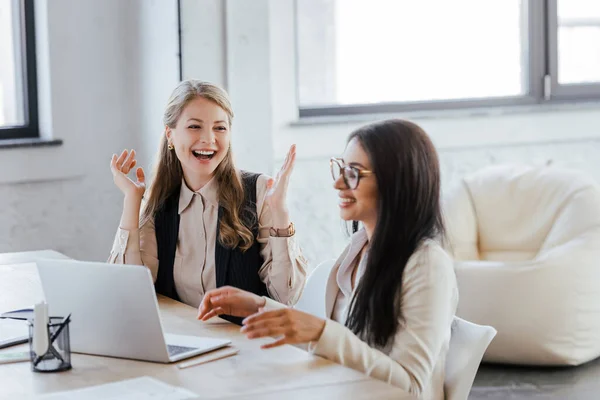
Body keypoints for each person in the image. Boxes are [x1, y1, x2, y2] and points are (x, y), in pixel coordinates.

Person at [197, 119, 459, 399]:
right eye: (341, 169)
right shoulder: (358, 251)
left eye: (354, 173)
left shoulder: (428, 265)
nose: (338, 183)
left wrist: (321, 332)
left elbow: (410, 385)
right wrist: (258, 306)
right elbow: (341, 346)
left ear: (397, 181)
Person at [107, 80, 307, 323]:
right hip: (184, 345)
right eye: (194, 127)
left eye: (220, 128)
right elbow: (129, 293)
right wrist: (132, 200)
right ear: (170, 134)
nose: (209, 139)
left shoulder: (259, 191)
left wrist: (281, 213)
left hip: (248, 346)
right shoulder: (157, 202)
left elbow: (285, 297)